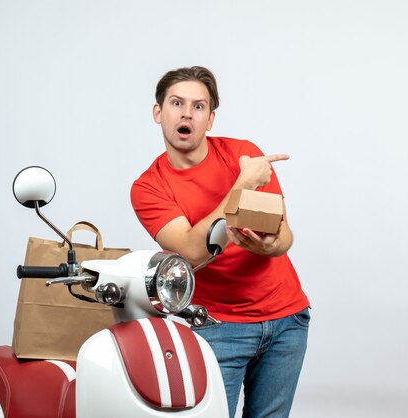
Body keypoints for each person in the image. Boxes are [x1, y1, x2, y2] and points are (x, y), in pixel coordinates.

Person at [130, 66, 310, 418]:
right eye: (176, 103)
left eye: (198, 107)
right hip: (217, 327)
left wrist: (269, 247)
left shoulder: (242, 154)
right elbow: (193, 249)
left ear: (210, 119)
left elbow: (283, 235)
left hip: (286, 320)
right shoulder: (149, 187)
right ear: (158, 112)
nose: (186, 113)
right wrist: (243, 184)